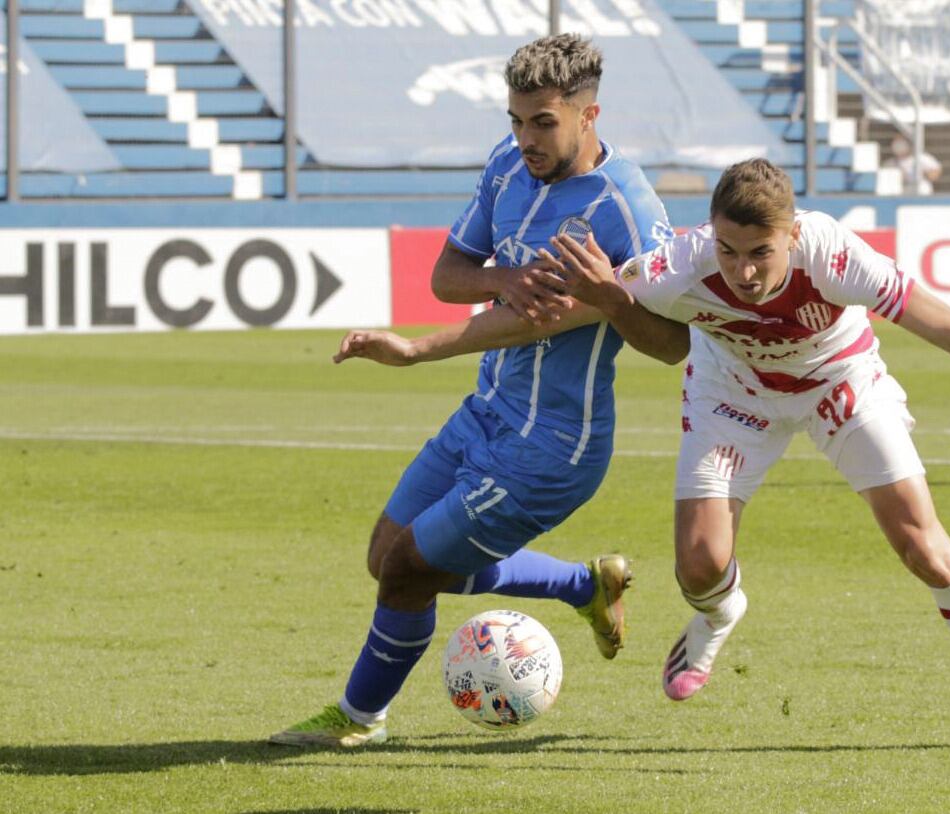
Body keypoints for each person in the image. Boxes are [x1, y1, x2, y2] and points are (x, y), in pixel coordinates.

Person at [545, 158, 950, 753]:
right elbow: (613, 323)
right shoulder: (676, 267)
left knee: (925, 548)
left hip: (840, 385)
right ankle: (720, 616)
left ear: (792, 235)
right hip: (732, 395)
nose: (743, 271)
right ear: (710, 232)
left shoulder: (833, 254)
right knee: (698, 567)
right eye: (728, 250)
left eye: (760, 253)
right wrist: (594, 303)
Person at [270, 33, 689, 748]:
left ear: (588, 116)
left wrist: (614, 301)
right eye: (516, 120)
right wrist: (502, 277)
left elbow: (673, 343)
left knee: (406, 574)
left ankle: (358, 718)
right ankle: (585, 587)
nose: (525, 138)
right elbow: (448, 276)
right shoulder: (506, 167)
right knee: (387, 554)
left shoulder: (626, 213)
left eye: (543, 122)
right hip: (485, 415)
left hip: (550, 449)